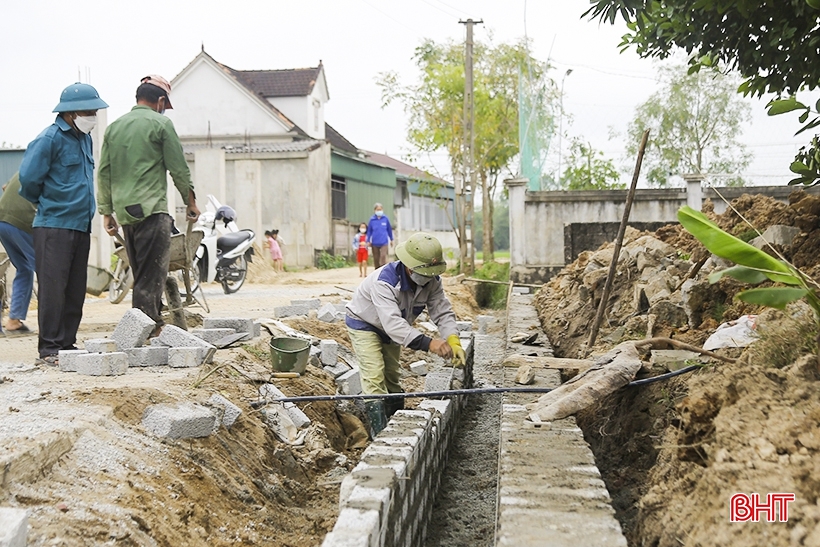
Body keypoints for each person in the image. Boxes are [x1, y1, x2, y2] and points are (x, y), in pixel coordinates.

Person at [98, 75, 200, 335]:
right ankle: (147, 328)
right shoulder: (161, 124)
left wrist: (106, 212)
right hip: (152, 210)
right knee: (150, 275)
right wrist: (191, 203)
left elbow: (104, 172)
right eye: (165, 105)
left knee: (142, 271)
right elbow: (178, 169)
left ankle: (150, 324)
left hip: (125, 212)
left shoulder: (115, 128)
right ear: (161, 100)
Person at [19, 82, 109, 365]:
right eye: (88, 111)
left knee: (74, 288)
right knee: (53, 287)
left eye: (94, 111)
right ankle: (49, 348)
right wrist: (50, 203)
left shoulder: (85, 139)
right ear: (70, 113)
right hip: (54, 224)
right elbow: (28, 179)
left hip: (80, 225)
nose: (92, 116)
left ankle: (67, 343)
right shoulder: (49, 139)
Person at [345, 232, 466, 436]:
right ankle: (380, 435)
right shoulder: (385, 282)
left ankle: (396, 420)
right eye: (425, 273)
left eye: (432, 274)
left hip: (393, 328)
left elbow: (442, 311)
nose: (429, 279)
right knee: (374, 374)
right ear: (410, 266)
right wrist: (429, 343)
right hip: (364, 323)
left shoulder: (432, 281)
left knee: (392, 375)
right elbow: (393, 324)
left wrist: (453, 340)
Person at [0, 172, 36, 337]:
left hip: (3, 220)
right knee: (46, 271)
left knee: (24, 267)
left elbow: (5, 187)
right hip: (22, 222)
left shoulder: (25, 168)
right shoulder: (52, 167)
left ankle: (14, 321)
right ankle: (55, 324)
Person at [366, 203, 393, 269]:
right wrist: (368, 240)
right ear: (375, 210)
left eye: (380, 209)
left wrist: (392, 239)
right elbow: (369, 231)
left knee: (383, 256)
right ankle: (377, 271)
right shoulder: (372, 220)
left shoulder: (385, 219)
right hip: (375, 242)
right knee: (376, 258)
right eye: (378, 209)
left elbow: (389, 229)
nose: (379, 211)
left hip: (384, 242)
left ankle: (383, 270)